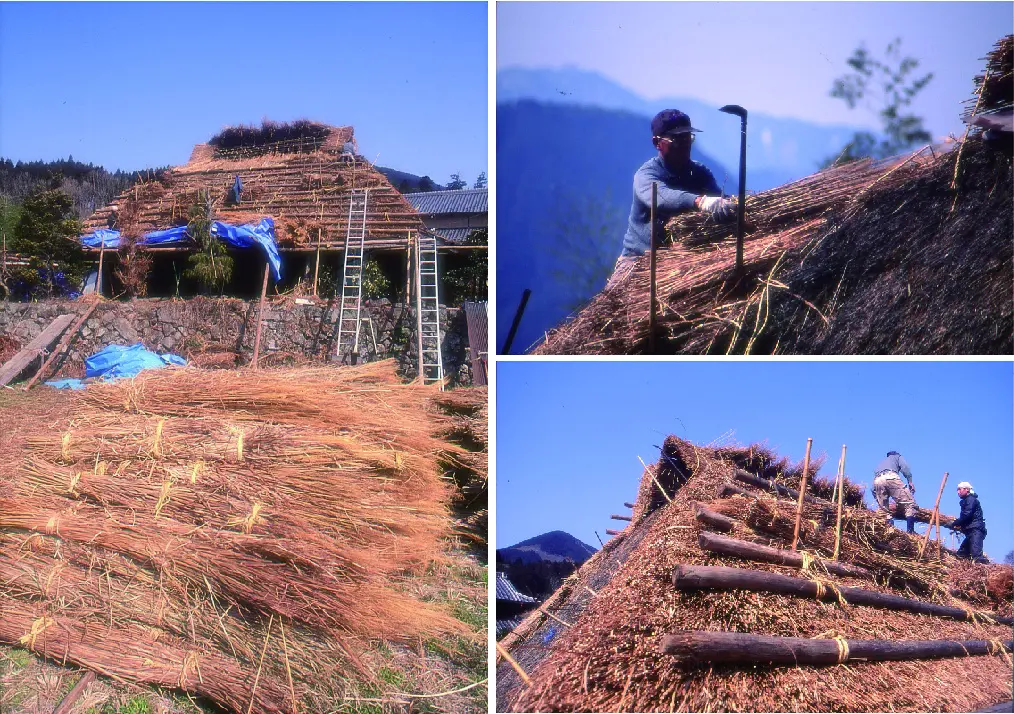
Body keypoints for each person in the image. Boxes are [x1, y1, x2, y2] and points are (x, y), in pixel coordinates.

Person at [605, 109, 736, 290]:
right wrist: (700, 202)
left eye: (687, 138)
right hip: (638, 259)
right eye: (677, 139)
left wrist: (724, 206)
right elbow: (661, 196)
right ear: (657, 143)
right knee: (616, 304)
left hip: (680, 259)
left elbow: (717, 198)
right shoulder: (647, 175)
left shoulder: (699, 173)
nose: (684, 145)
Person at [872, 450, 918, 533]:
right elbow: (905, 468)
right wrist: (910, 481)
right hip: (891, 477)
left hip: (877, 481)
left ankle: (890, 531)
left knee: (883, 510)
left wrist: (878, 498)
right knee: (911, 504)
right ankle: (910, 532)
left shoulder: (881, 464)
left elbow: (873, 489)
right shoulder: (897, 457)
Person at [952, 481, 988, 563]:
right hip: (971, 531)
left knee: (977, 556)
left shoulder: (971, 500)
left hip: (975, 530)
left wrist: (954, 523)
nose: (958, 492)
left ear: (966, 490)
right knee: (962, 554)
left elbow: (966, 515)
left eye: (959, 489)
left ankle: (985, 572)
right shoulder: (967, 500)